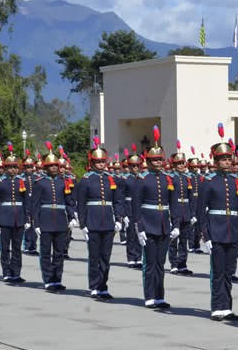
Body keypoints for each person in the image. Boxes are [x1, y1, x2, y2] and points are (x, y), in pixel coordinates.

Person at [197, 132, 238, 321]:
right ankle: (217, 307)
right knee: (217, 272)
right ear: (216, 161)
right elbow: (201, 212)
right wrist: (206, 236)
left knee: (229, 271)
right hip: (216, 232)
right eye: (223, 159)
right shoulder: (208, 183)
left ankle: (227, 307)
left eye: (229, 158)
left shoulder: (237, 182)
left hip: (232, 231)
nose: (227, 162)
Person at [133, 126, 180, 309]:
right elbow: (136, 205)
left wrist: (175, 224)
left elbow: (174, 204)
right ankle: (149, 296)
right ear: (148, 161)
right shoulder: (142, 179)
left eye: (160, 159)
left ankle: (159, 296)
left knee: (161, 263)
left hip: (163, 225)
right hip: (148, 223)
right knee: (150, 264)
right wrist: (140, 228)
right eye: (155, 160)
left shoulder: (169, 179)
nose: (159, 163)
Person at [77, 137, 124, 300]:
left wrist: (118, 219)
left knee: (106, 257)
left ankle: (103, 286)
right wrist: (82, 224)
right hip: (93, 221)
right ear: (92, 163)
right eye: (97, 162)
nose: (101, 164)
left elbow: (118, 201)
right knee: (94, 256)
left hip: (108, 222)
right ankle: (94, 286)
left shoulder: (112, 179)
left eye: (103, 161)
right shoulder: (85, 180)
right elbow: (81, 204)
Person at [32, 145, 76, 291]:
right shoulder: (39, 182)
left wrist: (71, 217)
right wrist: (36, 223)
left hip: (60, 220)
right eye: (50, 165)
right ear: (46, 167)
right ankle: (48, 279)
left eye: (55, 165)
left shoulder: (64, 182)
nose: (53, 168)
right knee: (45, 252)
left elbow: (69, 201)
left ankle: (57, 279)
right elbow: (35, 205)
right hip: (45, 220)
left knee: (59, 252)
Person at [0, 144, 28, 284]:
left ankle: (16, 273)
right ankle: (6, 272)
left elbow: (26, 202)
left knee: (17, 248)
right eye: (10, 167)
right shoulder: (0, 182)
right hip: (4, 218)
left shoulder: (21, 181)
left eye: (15, 167)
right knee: (5, 248)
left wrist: (27, 218)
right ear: (5, 168)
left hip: (18, 218)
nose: (13, 169)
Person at [168, 145, 196, 275]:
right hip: (175, 210)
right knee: (174, 239)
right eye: (178, 163)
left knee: (184, 239)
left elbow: (191, 197)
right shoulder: (170, 178)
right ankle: (173, 264)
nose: (181, 165)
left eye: (182, 163)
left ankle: (182, 264)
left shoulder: (187, 179)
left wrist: (192, 213)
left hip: (186, 211)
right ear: (174, 165)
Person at [21, 153, 40, 255]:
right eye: (27, 167)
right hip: (25, 202)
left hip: (35, 203)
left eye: (30, 167)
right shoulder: (21, 178)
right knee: (27, 225)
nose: (29, 169)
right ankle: (27, 246)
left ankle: (33, 246)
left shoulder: (36, 178)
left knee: (35, 225)